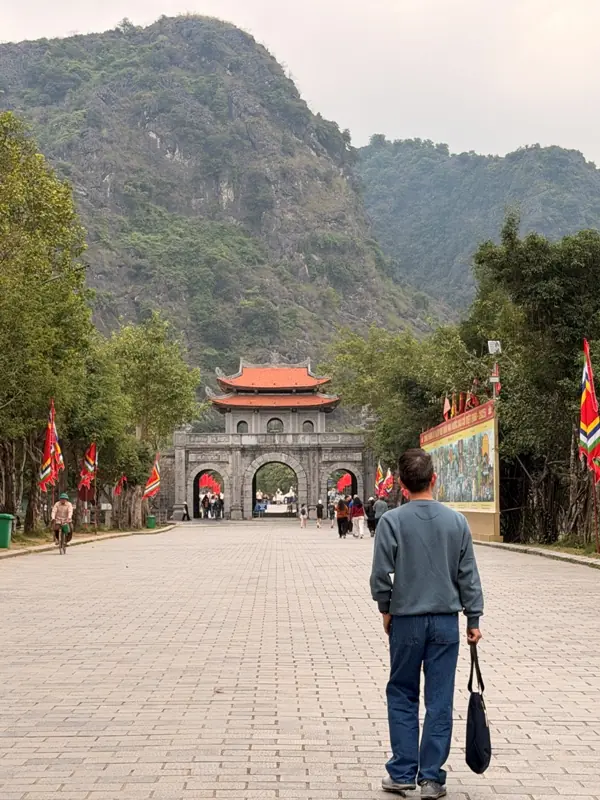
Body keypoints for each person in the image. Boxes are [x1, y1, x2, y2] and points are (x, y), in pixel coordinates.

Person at [370, 449, 483, 799]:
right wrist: (473, 618)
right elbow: (468, 576)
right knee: (439, 699)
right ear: (435, 479)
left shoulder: (391, 521)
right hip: (446, 624)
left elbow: (380, 575)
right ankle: (431, 778)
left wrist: (386, 608)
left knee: (402, 693)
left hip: (405, 622)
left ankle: (402, 771)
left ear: (402, 485)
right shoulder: (456, 522)